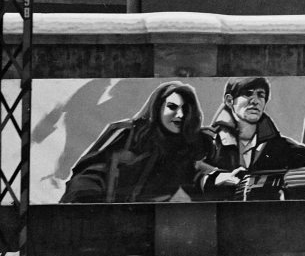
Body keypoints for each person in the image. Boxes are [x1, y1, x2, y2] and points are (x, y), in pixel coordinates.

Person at [60, 81, 213, 204]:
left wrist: (213, 178)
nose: (180, 115)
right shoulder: (127, 133)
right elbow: (88, 173)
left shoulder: (193, 144)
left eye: (185, 109)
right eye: (172, 107)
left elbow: (194, 172)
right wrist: (88, 200)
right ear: (158, 107)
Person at [198, 76, 305, 200]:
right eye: (247, 94)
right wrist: (216, 179)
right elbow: (188, 178)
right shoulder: (206, 142)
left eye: (260, 95)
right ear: (229, 100)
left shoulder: (290, 151)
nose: (255, 101)